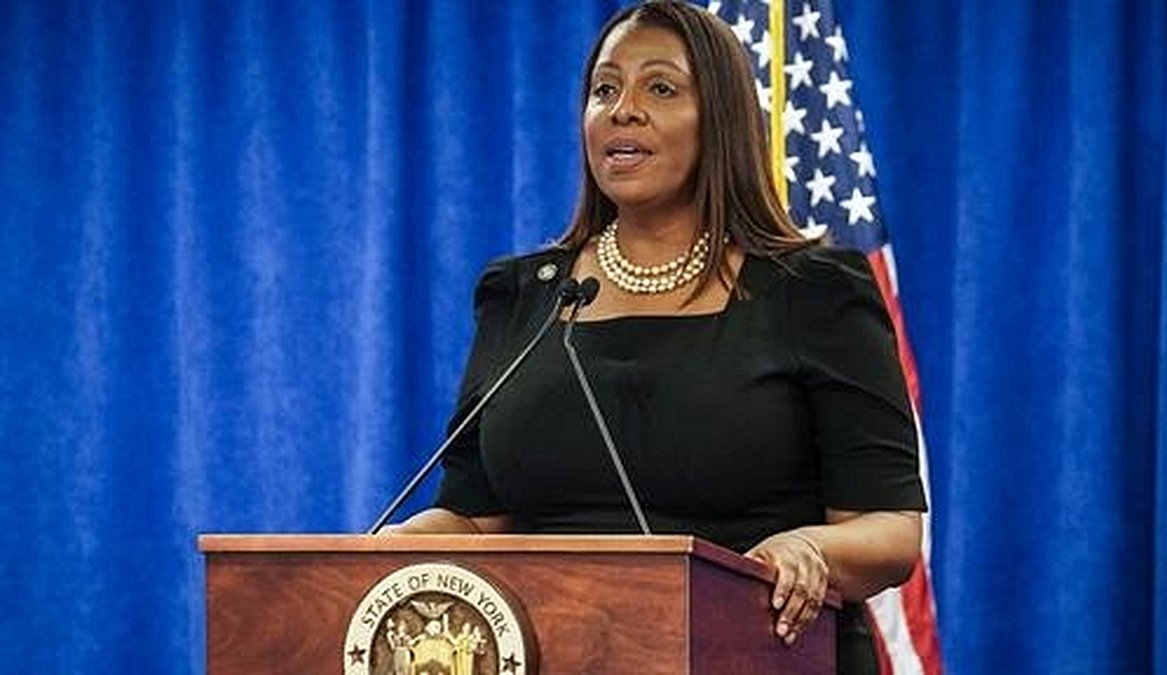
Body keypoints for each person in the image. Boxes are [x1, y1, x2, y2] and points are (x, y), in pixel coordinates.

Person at [381, 2, 926, 672]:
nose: (623, 110)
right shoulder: (523, 294)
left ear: (720, 119)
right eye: (604, 90)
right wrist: (386, 552)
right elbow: (473, 517)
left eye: (660, 88)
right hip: (565, 653)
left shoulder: (813, 289)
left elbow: (889, 529)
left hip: (758, 653)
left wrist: (808, 549)